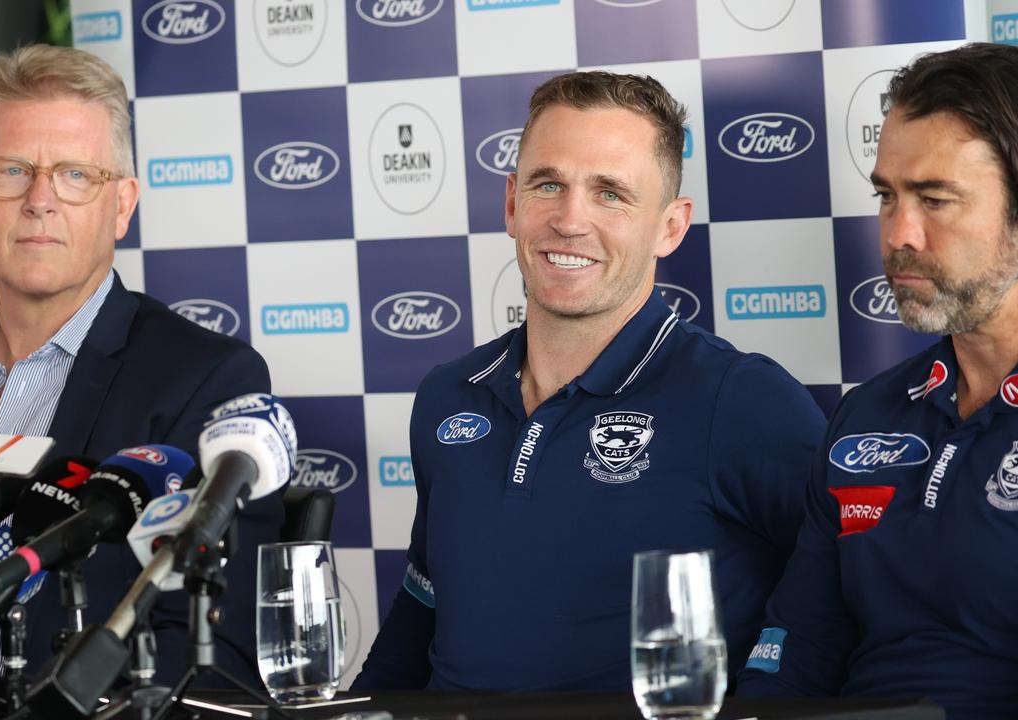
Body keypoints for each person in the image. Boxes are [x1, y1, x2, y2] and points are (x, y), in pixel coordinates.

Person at [736, 43, 1018, 718]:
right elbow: (794, 661)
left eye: (934, 200)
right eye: (887, 196)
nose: (896, 234)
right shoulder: (869, 414)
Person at [353, 71, 825, 692]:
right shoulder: (448, 394)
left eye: (610, 194)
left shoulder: (741, 398)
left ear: (670, 227)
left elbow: (839, 596)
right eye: (548, 184)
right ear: (513, 204)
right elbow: (422, 611)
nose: (570, 221)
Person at [0, 45, 278, 687]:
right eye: (11, 170)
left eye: (76, 174)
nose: (40, 200)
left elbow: (211, 649)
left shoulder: (204, 382)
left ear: (122, 205)